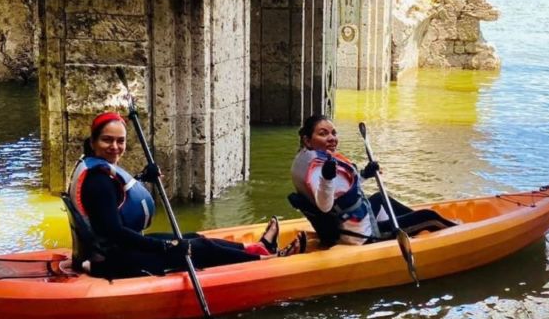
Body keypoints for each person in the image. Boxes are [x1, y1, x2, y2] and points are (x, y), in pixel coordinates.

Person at [68, 112, 300, 279]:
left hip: (112, 251)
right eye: (107, 140)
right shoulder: (97, 182)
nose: (115, 146)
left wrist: (141, 177)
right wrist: (166, 248)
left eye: (121, 141)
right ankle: (270, 261)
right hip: (115, 261)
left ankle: (257, 248)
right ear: (93, 142)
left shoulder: (96, 170)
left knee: (194, 235)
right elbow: (115, 232)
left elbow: (112, 201)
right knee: (198, 248)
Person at [289, 114, 454, 248]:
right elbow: (325, 205)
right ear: (307, 140)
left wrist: (364, 174)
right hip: (361, 236)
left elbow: (342, 192)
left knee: (380, 198)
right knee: (430, 216)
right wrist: (327, 178)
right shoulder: (320, 169)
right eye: (323, 134)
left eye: (333, 133)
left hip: (343, 223)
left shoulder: (305, 159)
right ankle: (455, 231)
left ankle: (415, 226)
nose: (332, 138)